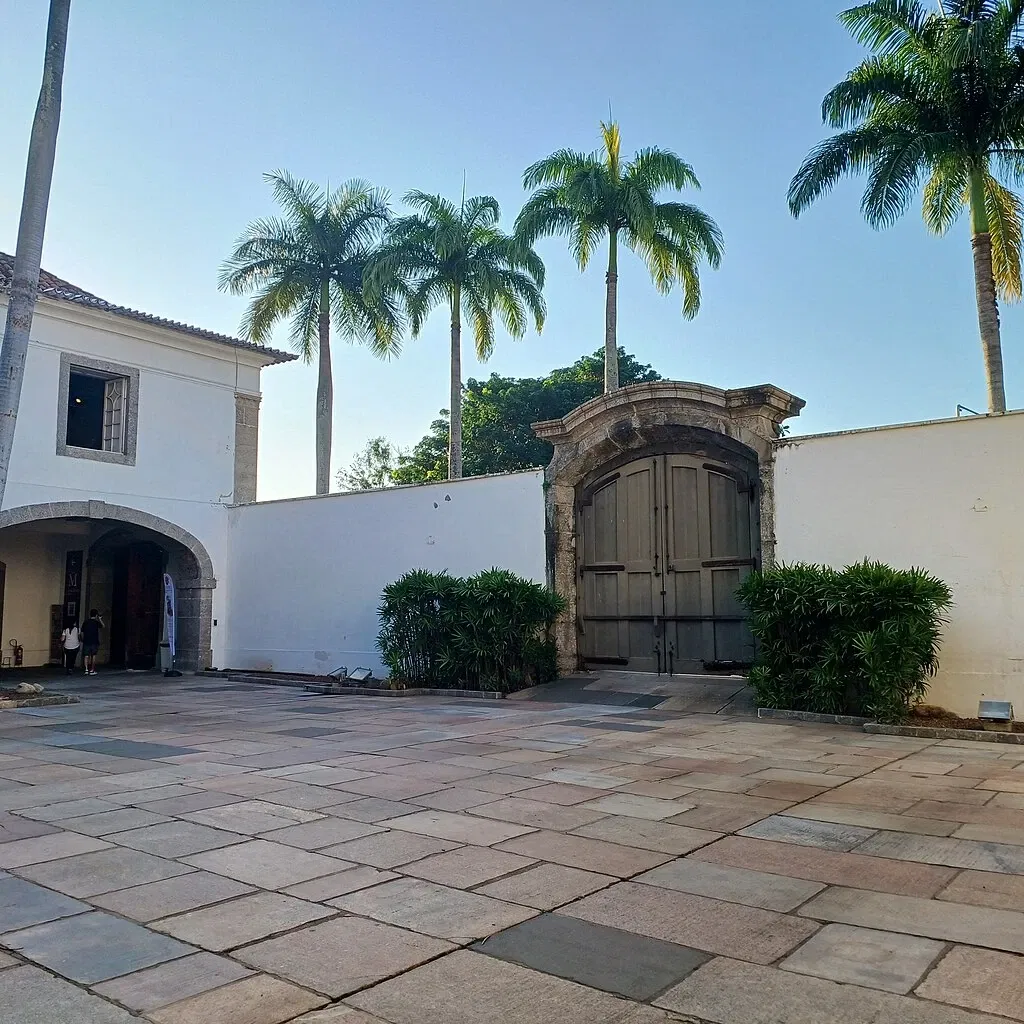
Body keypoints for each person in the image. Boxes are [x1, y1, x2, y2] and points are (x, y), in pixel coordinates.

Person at [81, 609, 104, 676]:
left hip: (86, 641)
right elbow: (103, 626)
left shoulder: (86, 622)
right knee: (93, 655)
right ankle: (92, 670)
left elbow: (82, 632)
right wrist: (100, 619)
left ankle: (86, 669)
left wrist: (82, 639)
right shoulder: (96, 622)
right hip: (94, 641)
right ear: (96, 615)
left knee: (86, 656)